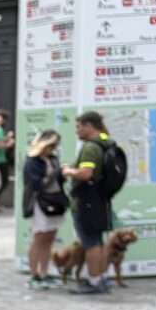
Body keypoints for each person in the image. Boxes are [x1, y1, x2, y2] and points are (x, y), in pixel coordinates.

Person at [63, 109, 117, 294]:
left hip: (86, 199)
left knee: (90, 243)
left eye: (79, 127)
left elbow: (86, 174)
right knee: (98, 241)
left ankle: (94, 282)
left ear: (88, 126)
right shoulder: (106, 142)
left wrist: (69, 171)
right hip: (100, 198)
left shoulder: (90, 147)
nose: (77, 131)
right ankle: (101, 278)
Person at [21, 129, 68, 288]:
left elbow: (58, 180)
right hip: (40, 202)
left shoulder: (53, 159)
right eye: (51, 145)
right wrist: (56, 173)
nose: (53, 149)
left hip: (56, 200)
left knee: (49, 238)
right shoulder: (32, 161)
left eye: (55, 146)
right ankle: (34, 275)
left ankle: (45, 272)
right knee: (39, 238)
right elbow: (36, 184)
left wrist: (63, 174)